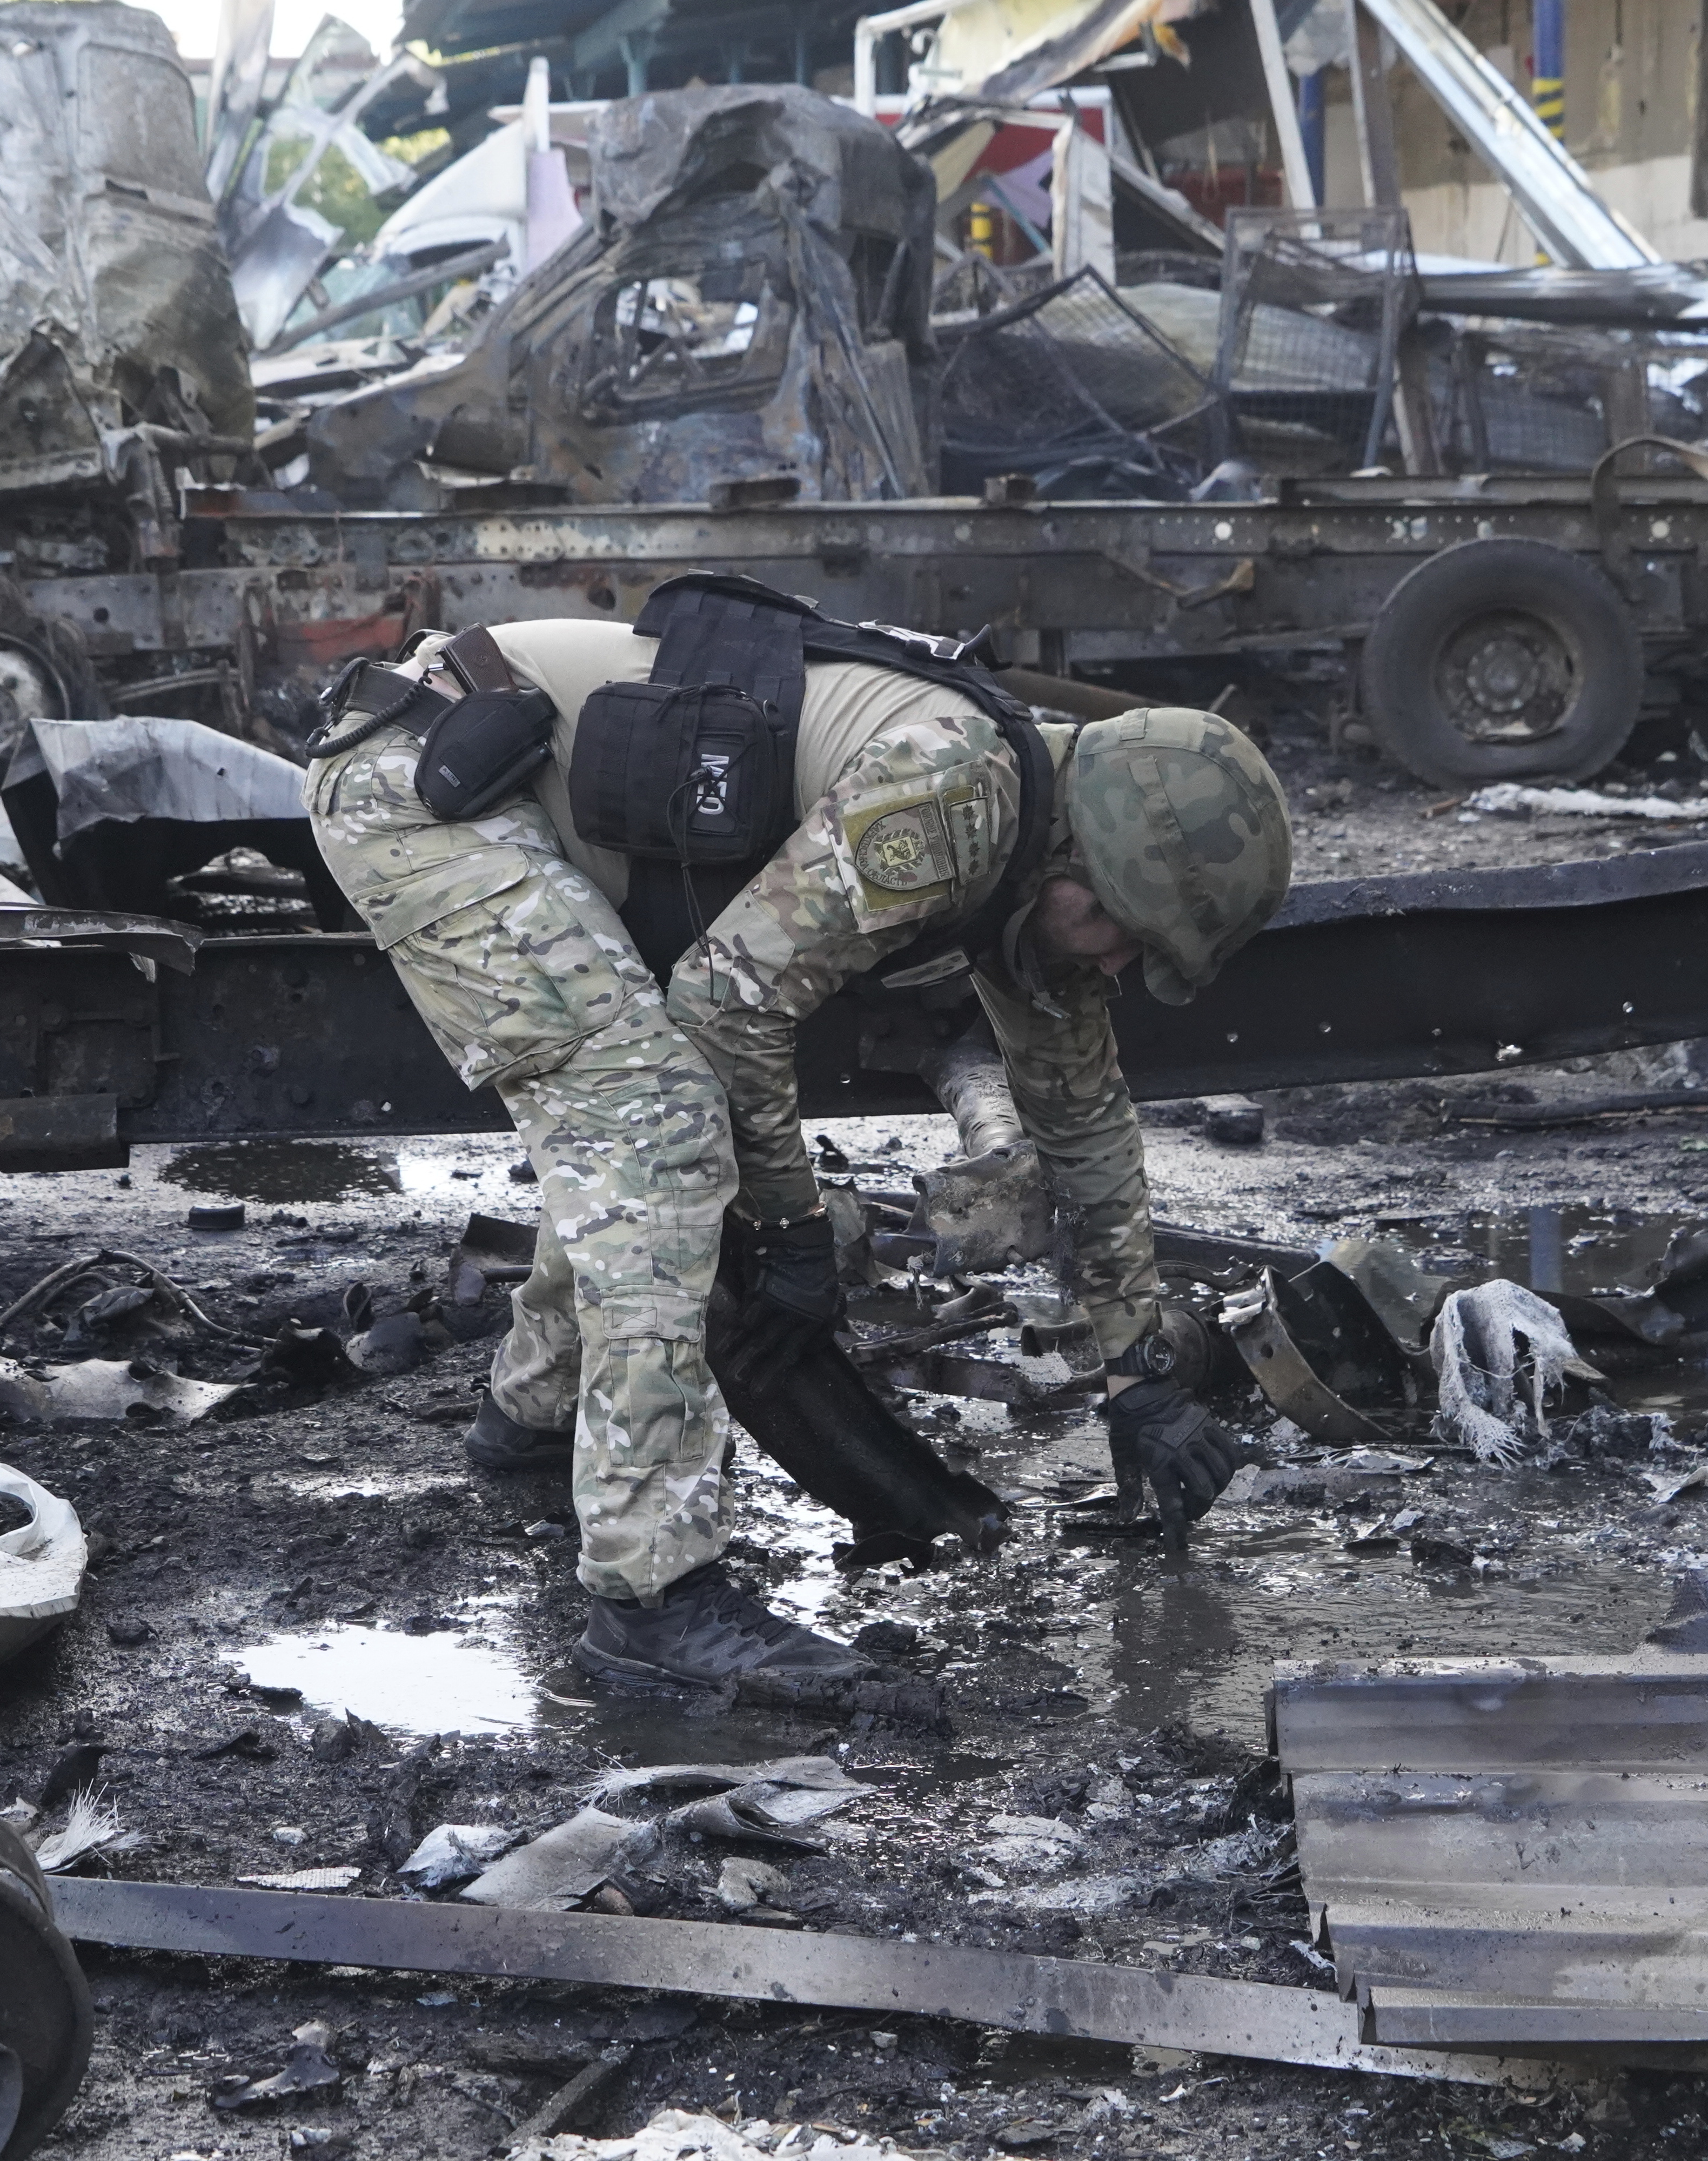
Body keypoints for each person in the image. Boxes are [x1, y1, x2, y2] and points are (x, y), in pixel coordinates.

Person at [306, 586, 1292, 1700]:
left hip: (487, 775)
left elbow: (1086, 1118)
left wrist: (1138, 1372)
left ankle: (532, 1422)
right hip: (428, 783)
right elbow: (728, 1006)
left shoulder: (1043, 860)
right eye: (1124, 933)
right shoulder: (954, 794)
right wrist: (784, 1224)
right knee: (660, 1123)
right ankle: (652, 1598)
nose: (1115, 967)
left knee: (636, 1106)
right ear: (1085, 861)